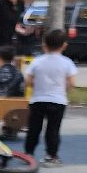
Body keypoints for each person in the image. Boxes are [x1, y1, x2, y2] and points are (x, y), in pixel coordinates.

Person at [24, 28, 76, 165]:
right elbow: (71, 83)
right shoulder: (67, 62)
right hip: (58, 100)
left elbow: (28, 81)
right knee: (53, 129)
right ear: (64, 45)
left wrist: (38, 84)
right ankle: (52, 155)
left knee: (34, 128)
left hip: (38, 99)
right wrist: (62, 88)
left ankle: (29, 153)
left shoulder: (37, 61)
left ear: (44, 44)